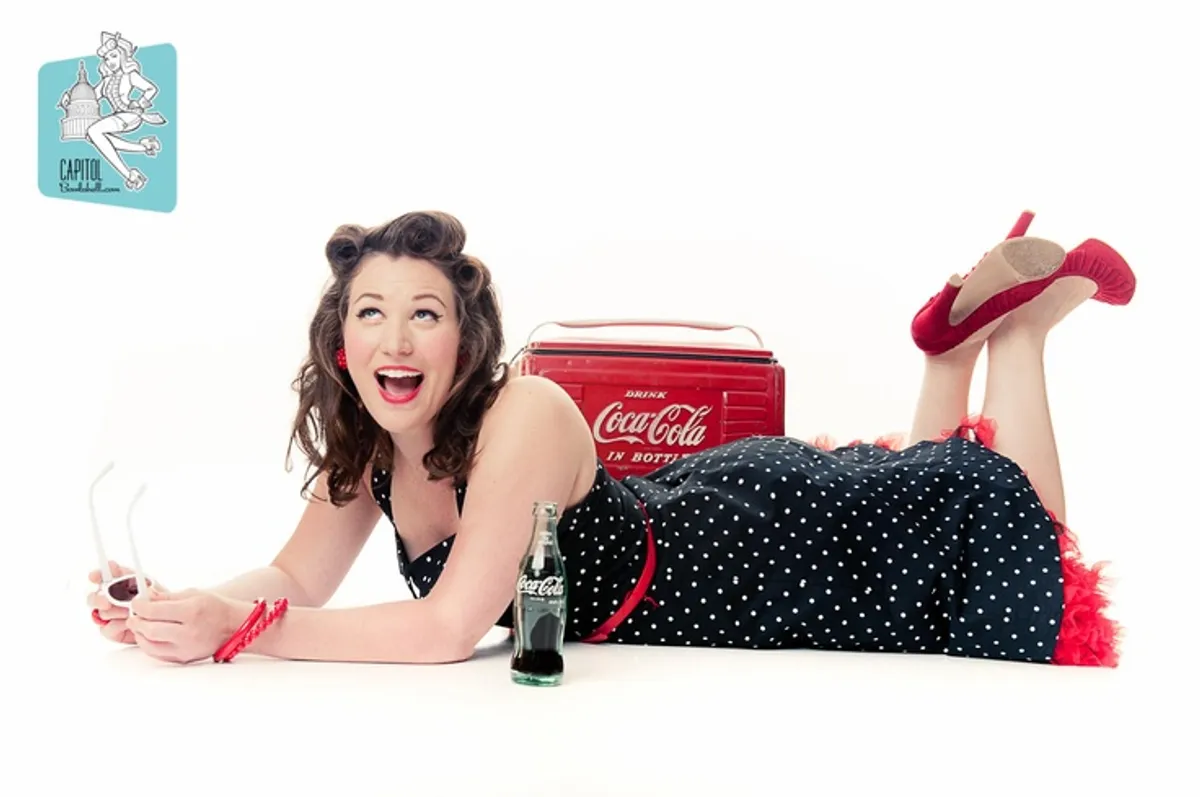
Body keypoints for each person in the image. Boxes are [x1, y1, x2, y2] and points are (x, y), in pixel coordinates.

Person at [88, 209, 1132, 668]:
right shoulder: (373, 440)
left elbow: (455, 627)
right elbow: (292, 574)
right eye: (370, 312)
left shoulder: (525, 414)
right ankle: (948, 347)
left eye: (423, 312)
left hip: (755, 557)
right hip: (715, 532)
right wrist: (185, 606)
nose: (394, 336)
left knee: (1007, 533)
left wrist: (245, 627)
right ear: (340, 337)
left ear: (465, 338)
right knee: (920, 515)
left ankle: (1025, 331)